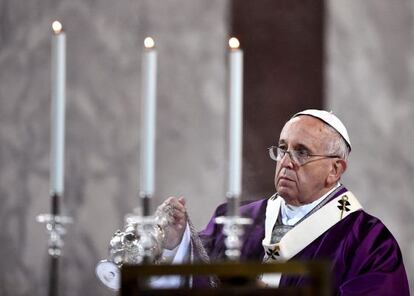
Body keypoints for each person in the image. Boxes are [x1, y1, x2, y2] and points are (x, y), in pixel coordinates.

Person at [157, 109, 410, 295]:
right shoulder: (239, 219)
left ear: (335, 169)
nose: (286, 162)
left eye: (302, 152)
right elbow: (201, 278)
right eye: (282, 148)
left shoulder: (368, 242)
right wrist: (177, 243)